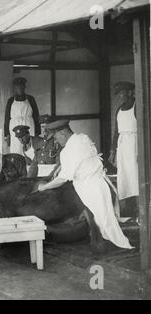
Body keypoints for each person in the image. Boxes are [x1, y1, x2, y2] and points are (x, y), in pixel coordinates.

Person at [37, 119, 132, 250]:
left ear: (63, 133)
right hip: (101, 182)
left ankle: (112, 243)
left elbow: (63, 179)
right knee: (108, 218)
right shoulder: (82, 137)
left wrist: (44, 187)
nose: (55, 141)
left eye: (56, 137)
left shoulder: (68, 150)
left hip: (89, 187)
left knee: (104, 223)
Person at [108, 81, 138, 218]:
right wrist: (112, 152)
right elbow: (116, 132)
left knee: (135, 177)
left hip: (134, 144)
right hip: (122, 146)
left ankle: (139, 209)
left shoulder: (137, 106)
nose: (120, 96)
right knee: (124, 178)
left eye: (122, 93)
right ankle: (128, 212)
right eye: (118, 94)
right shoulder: (119, 109)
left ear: (130, 92)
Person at [4, 77, 40, 155]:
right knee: (16, 148)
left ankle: (31, 164)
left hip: (29, 125)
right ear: (15, 88)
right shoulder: (10, 100)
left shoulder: (30, 99)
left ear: (24, 87)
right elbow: (7, 118)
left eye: (21, 86)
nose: (19, 89)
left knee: (30, 147)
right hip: (15, 126)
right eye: (17, 87)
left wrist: (37, 131)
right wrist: (6, 134)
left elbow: (36, 115)